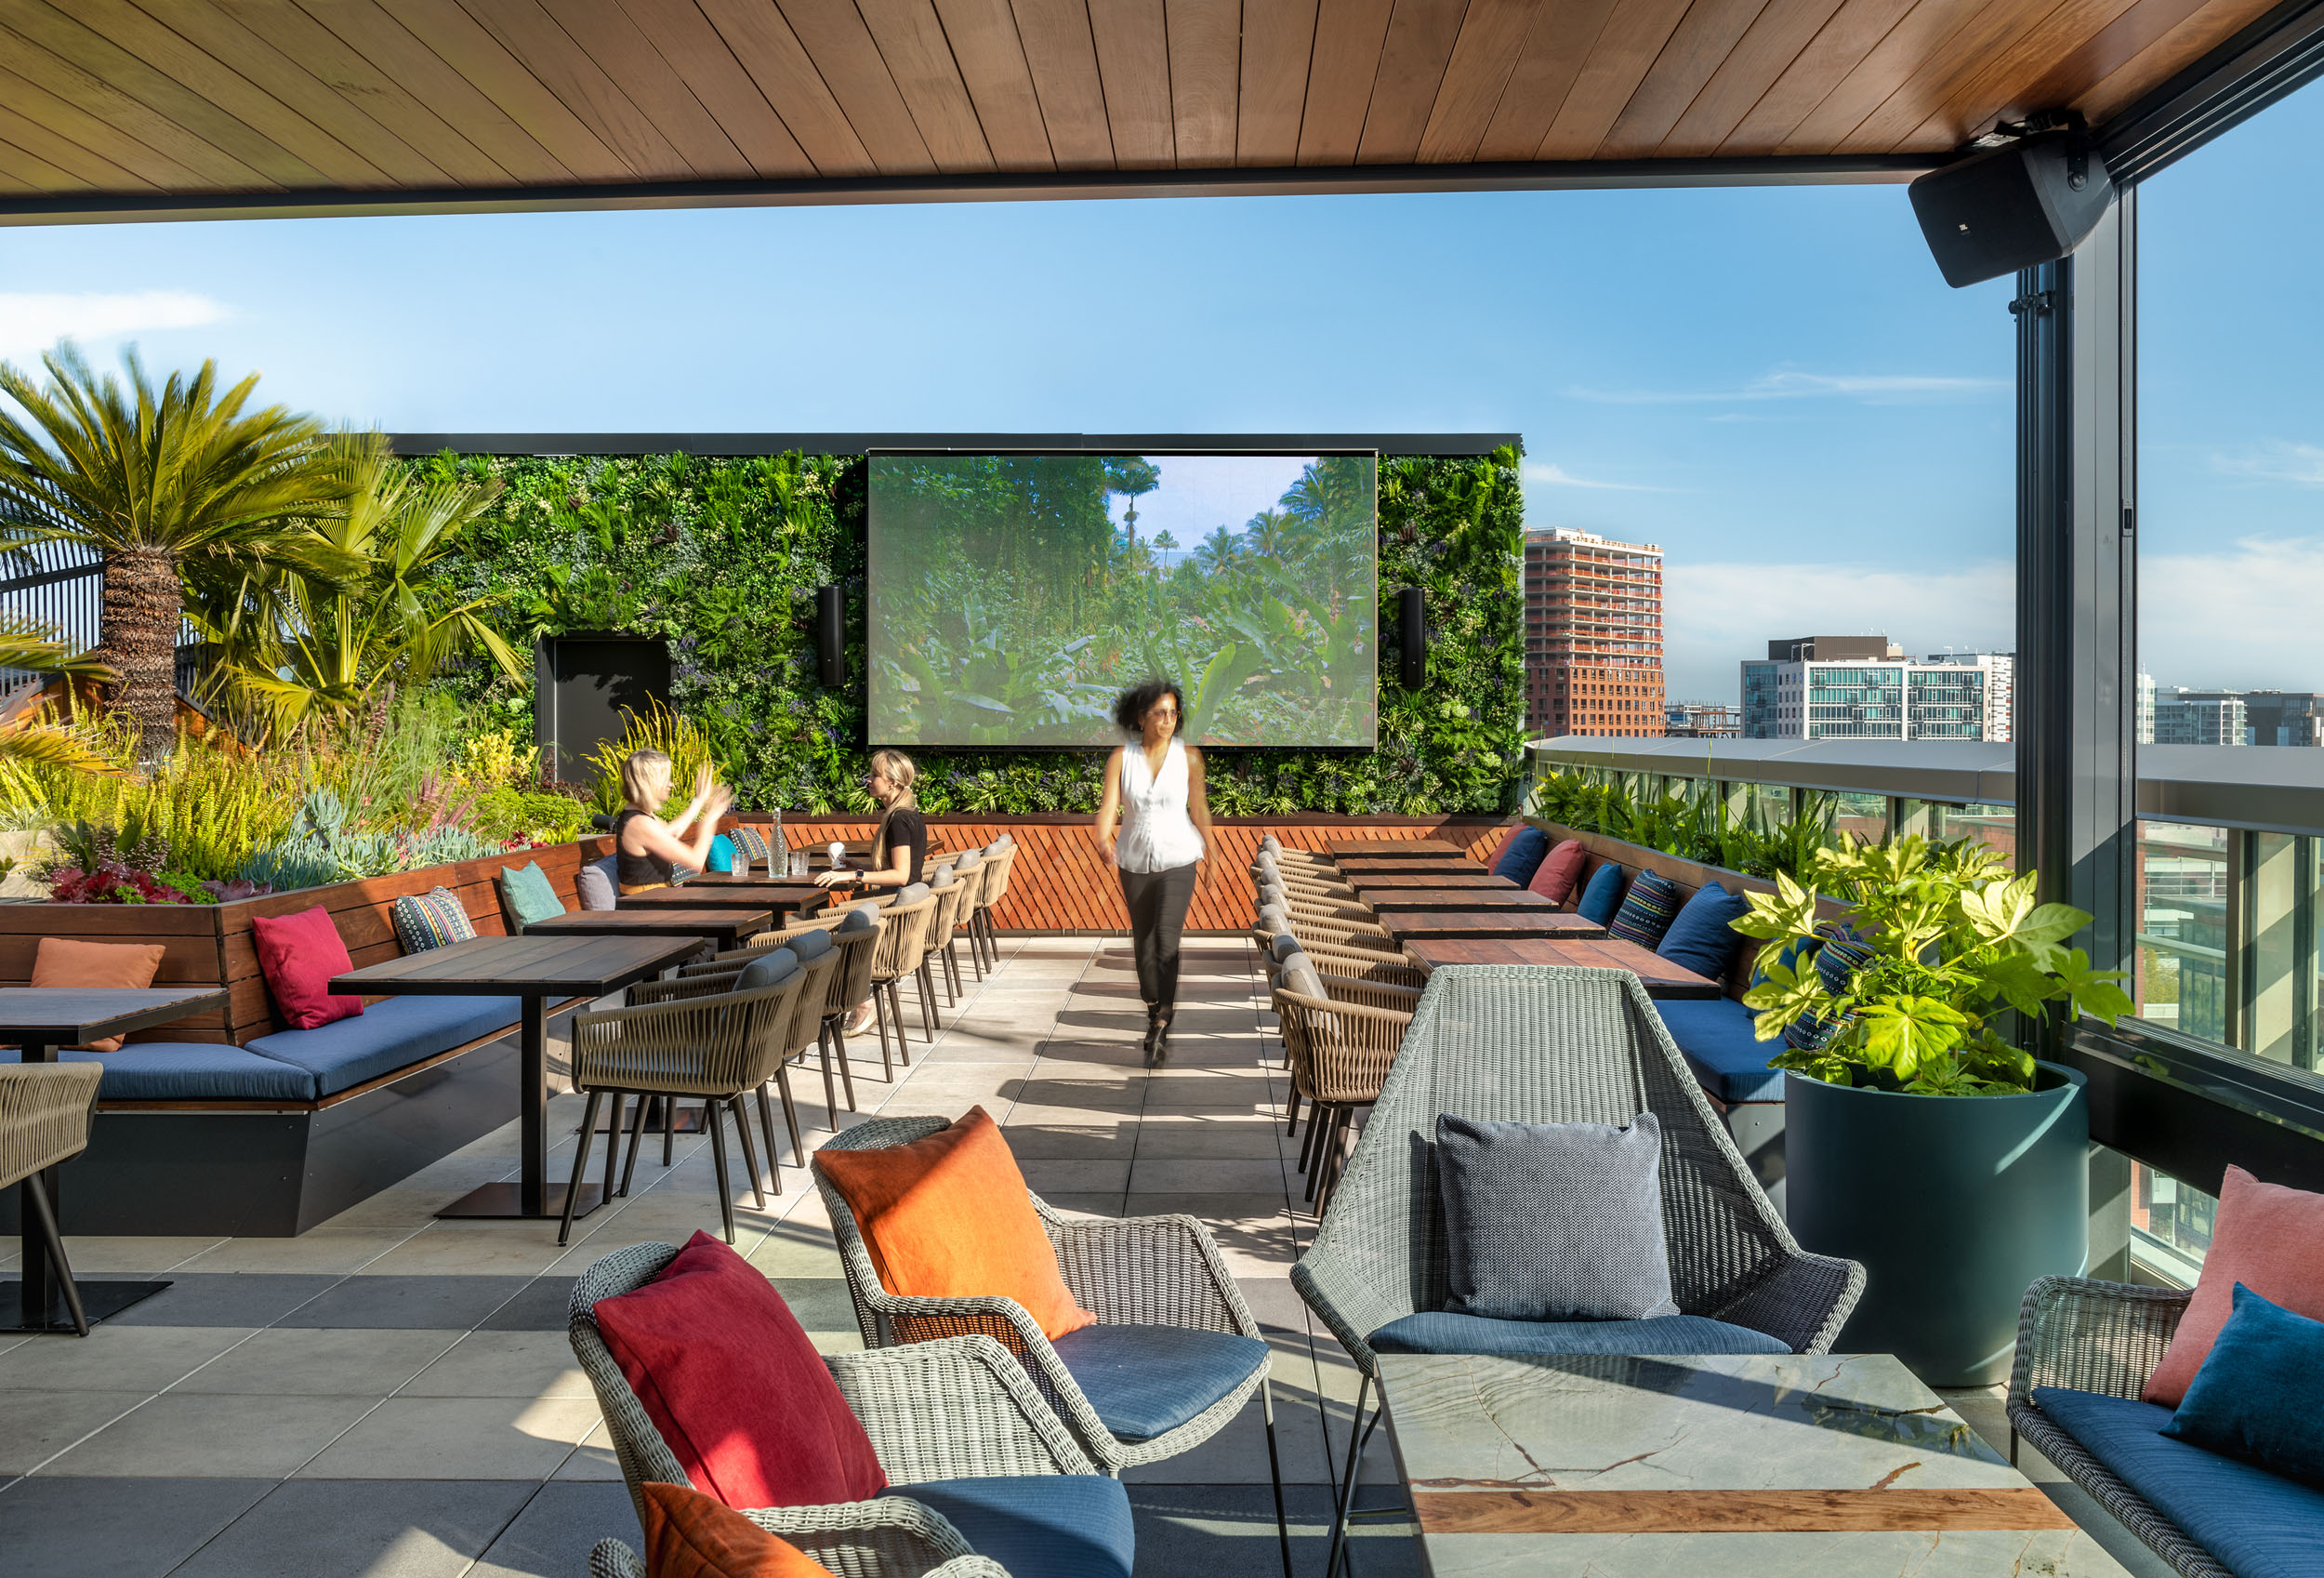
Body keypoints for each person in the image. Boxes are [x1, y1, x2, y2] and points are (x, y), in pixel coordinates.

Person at [1095, 679, 1211, 1064]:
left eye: (1173, 713)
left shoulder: (1189, 757)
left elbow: (1199, 809)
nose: (1168, 720)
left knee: (1166, 938)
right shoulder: (1120, 758)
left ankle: (1163, 1017)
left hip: (1179, 856)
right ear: (1142, 717)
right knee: (1143, 942)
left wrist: (1211, 849)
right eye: (1160, 713)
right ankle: (1152, 1002)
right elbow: (1109, 807)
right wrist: (1102, 838)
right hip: (1134, 858)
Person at [817, 749, 928, 1034]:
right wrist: (859, 865)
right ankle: (863, 999)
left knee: (820, 934)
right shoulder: (907, 813)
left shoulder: (899, 819)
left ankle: (863, 1001)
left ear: (891, 782)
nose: (868, 780)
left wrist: (854, 874)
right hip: (895, 903)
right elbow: (904, 869)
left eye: (874, 775)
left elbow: (901, 875)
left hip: (890, 907)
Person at [614, 750, 733, 895]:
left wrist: (698, 801)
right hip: (645, 906)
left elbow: (671, 834)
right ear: (649, 782)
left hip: (655, 898)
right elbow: (696, 862)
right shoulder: (639, 824)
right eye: (666, 779)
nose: (670, 784)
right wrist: (709, 821)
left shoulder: (640, 816)